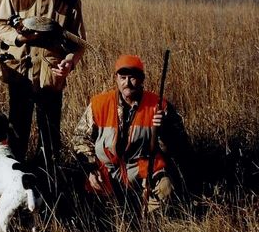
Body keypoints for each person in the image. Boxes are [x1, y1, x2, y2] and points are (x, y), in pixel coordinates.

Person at [0, 0, 86, 173]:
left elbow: (79, 43)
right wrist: (18, 37)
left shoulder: (70, 2)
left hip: (51, 79)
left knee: (49, 139)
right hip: (20, 76)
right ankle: (14, 182)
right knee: (17, 135)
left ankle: (48, 186)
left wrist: (69, 63)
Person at [73, 54, 190, 219]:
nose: (127, 83)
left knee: (165, 187)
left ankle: (151, 224)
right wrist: (90, 170)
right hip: (107, 171)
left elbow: (181, 147)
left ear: (142, 79)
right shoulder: (99, 104)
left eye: (132, 78)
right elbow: (80, 139)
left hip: (142, 171)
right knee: (88, 201)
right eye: (123, 77)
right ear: (116, 79)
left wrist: (165, 128)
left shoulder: (159, 106)